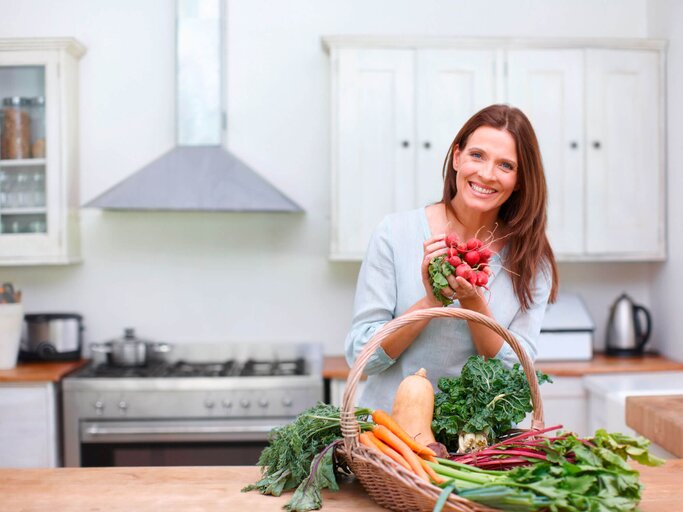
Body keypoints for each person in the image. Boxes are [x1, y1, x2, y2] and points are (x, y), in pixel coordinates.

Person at [344, 104, 559, 412]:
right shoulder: (394, 233)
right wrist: (430, 302)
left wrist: (474, 303)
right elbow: (362, 356)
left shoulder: (531, 261)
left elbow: (515, 372)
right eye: (477, 155)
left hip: (479, 444)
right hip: (388, 436)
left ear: (521, 179)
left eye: (506, 166)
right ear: (457, 157)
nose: (486, 174)